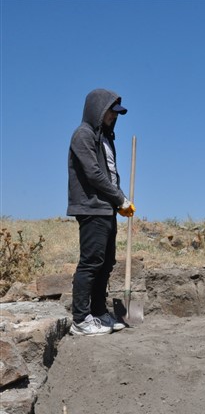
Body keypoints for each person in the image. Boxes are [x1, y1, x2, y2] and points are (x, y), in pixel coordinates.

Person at [67, 88, 135, 336]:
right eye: (110, 111)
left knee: (106, 263)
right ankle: (81, 320)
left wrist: (120, 200)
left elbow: (110, 174)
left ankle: (98, 313)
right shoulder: (83, 135)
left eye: (116, 113)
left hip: (107, 208)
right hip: (91, 207)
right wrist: (119, 198)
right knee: (91, 263)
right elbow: (94, 174)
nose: (114, 117)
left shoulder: (106, 138)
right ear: (98, 109)